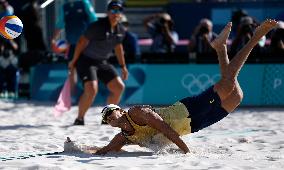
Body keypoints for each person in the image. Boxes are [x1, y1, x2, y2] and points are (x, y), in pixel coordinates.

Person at [94, 19, 277, 155]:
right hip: (192, 126)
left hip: (186, 111)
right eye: (106, 119)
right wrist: (73, 148)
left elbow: (165, 128)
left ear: (119, 109)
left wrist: (186, 152)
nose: (109, 118)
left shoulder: (136, 112)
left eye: (110, 113)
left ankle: (255, 37)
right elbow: (102, 150)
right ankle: (220, 48)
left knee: (228, 83)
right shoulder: (123, 137)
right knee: (237, 96)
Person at [68, 0, 128, 125]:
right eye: (113, 10)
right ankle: (79, 119)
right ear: (107, 12)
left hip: (102, 61)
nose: (115, 13)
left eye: (118, 10)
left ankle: (107, 117)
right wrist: (74, 60)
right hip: (86, 61)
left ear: (121, 13)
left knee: (119, 87)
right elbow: (81, 42)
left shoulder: (121, 30)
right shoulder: (97, 26)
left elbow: (118, 48)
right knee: (91, 90)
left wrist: (123, 66)